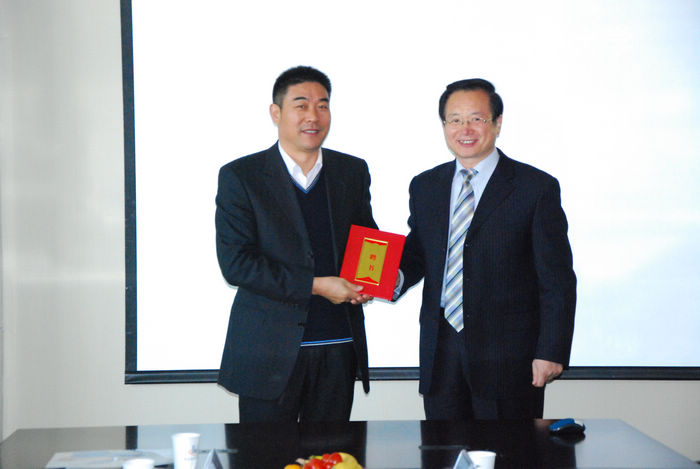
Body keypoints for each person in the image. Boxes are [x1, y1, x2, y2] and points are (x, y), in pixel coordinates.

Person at [397, 78, 576, 420]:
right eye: (455, 120)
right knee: (442, 447)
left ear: (497, 123)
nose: (465, 129)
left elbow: (557, 279)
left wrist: (551, 350)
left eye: (476, 119)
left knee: (510, 448)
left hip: (508, 358)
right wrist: (392, 278)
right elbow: (420, 251)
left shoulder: (535, 187)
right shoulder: (425, 186)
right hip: (441, 352)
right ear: (444, 125)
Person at [215, 66, 377, 422]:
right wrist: (316, 286)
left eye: (323, 106)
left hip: (337, 344)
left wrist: (371, 279)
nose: (313, 116)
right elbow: (237, 264)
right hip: (267, 352)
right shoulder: (241, 176)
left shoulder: (351, 171)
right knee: (264, 451)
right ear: (276, 113)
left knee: (332, 450)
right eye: (301, 105)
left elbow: (367, 239)